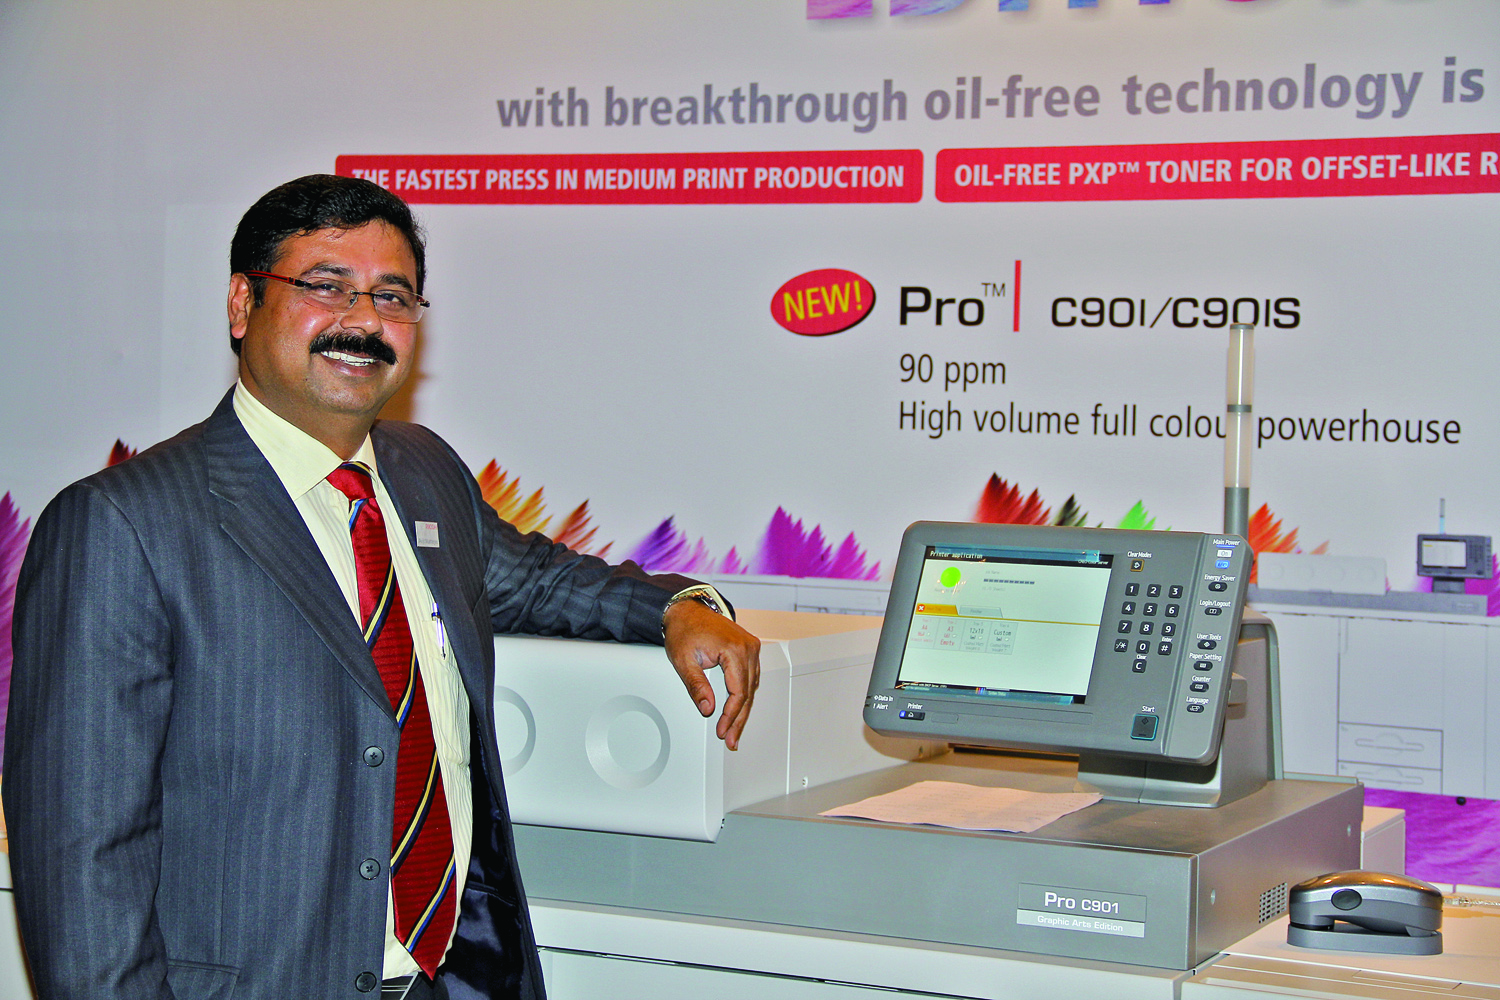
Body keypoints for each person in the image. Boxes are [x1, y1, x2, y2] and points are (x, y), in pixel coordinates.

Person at [3, 174, 760, 1000]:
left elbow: (542, 581)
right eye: (326, 286)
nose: (363, 321)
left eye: (392, 297)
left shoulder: (424, 473)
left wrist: (679, 606)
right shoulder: (123, 524)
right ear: (242, 303)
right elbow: (81, 857)